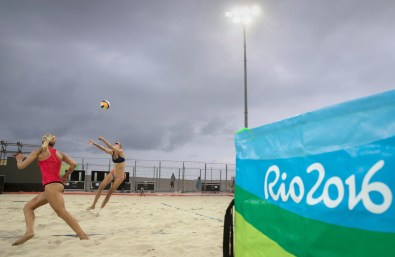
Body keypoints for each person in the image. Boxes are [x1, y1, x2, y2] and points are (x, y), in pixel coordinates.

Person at [13, 133, 88, 245]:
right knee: (28, 207)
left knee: (62, 212)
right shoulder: (59, 153)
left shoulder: (39, 151)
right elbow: (74, 164)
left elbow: (21, 166)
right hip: (56, 186)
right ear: (54, 142)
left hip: (51, 186)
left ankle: (83, 236)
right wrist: (65, 176)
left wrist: (19, 159)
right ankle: (29, 232)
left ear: (44, 140)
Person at [87, 136, 126, 213]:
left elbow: (110, 146)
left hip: (120, 176)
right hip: (113, 172)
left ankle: (100, 210)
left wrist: (102, 139)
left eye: (117, 143)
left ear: (120, 146)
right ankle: (93, 205)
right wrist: (94, 143)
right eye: (115, 143)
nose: (115, 144)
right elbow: (103, 148)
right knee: (101, 186)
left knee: (109, 193)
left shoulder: (121, 151)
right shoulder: (112, 152)